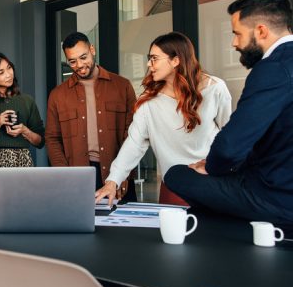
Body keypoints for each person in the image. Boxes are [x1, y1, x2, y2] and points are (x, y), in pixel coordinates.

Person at [164, 0, 293, 225]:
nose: (234, 43)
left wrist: (211, 167)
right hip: (279, 182)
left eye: (237, 34)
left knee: (177, 175)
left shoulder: (272, 68)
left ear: (261, 30)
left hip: (274, 198)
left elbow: (229, 147)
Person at [94, 32, 232, 206]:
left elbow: (229, 137)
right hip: (173, 187)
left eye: (154, 58)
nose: (148, 64)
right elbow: (134, 143)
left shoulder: (215, 89)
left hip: (212, 184)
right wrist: (113, 180)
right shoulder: (149, 100)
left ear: (175, 60)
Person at [46, 32, 137, 200]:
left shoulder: (122, 86)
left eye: (83, 57)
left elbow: (132, 135)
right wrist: (64, 175)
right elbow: (52, 139)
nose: (79, 65)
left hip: (116, 172)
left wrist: (124, 174)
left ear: (92, 50)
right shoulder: (57, 95)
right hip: (77, 176)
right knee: (79, 226)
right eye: (72, 61)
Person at [0, 51, 45, 167]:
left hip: (22, 161)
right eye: (1, 72)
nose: (8, 74)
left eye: (9, 68)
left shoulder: (27, 101)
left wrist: (24, 130)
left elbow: (40, 142)